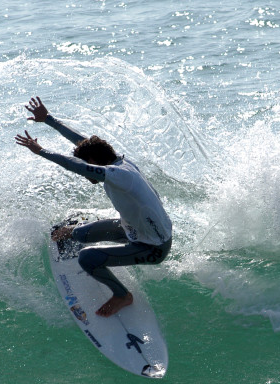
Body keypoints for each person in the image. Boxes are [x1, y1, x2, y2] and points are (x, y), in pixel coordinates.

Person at [15, 96, 173, 318]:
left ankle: (122, 295)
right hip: (134, 228)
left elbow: (74, 165)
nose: (87, 173)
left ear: (94, 161)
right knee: (79, 234)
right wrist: (49, 120)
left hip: (153, 246)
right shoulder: (118, 161)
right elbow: (84, 143)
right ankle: (76, 234)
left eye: (88, 164)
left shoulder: (120, 175)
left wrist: (41, 151)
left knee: (87, 258)